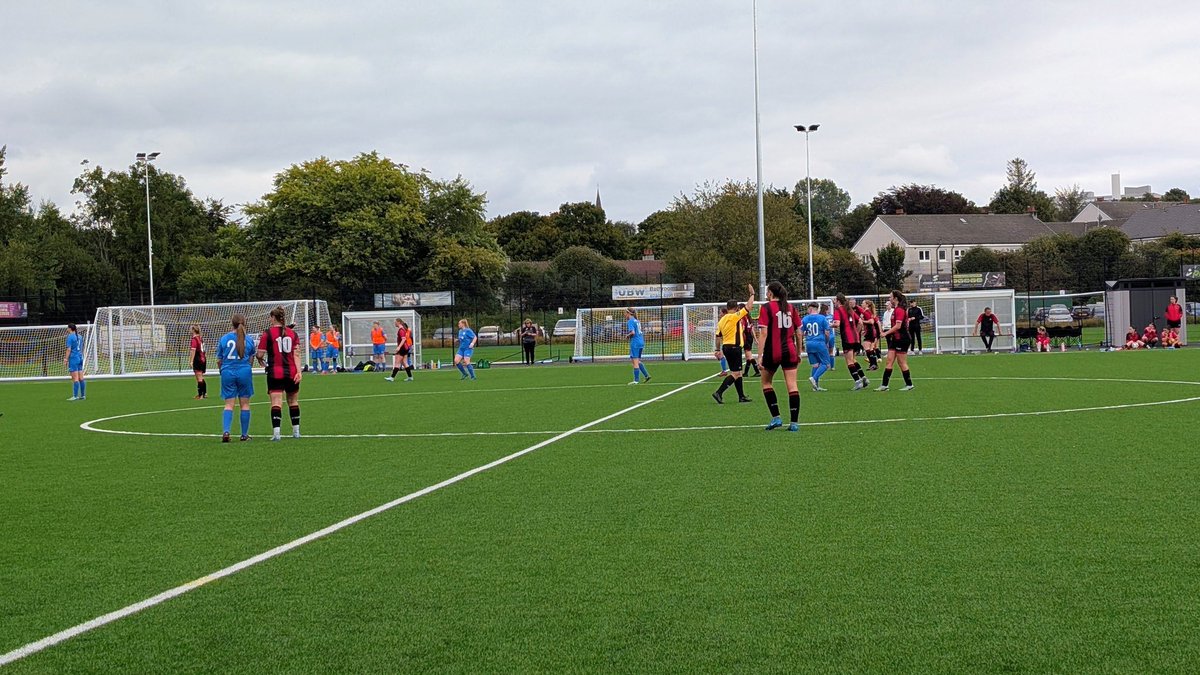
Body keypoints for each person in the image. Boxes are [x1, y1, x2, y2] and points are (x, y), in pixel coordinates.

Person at [756, 281, 802, 432]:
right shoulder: (790, 307)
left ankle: (776, 417)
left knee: (766, 383)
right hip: (789, 350)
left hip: (772, 351)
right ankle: (794, 422)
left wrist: (760, 355)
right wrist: (799, 351)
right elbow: (799, 332)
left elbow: (764, 333)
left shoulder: (766, 307)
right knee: (792, 385)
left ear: (770, 293)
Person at [256, 306, 302, 441]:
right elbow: (297, 353)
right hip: (292, 372)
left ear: (273, 318)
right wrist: (299, 371)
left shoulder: (268, 333)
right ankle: (296, 432)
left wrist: (260, 359)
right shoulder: (293, 334)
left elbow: (260, 353)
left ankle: (276, 434)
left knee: (276, 402)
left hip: (275, 372)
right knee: (293, 401)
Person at [712, 285, 755, 404]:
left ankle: (741, 396)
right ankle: (719, 392)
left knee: (738, 372)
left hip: (726, 347)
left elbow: (718, 336)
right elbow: (749, 306)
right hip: (734, 348)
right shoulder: (735, 317)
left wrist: (717, 349)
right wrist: (752, 295)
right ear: (736, 308)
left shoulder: (722, 320)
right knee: (735, 373)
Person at [218, 313, 256, 442]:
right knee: (244, 404)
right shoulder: (249, 340)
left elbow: (219, 359)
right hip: (244, 371)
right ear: (244, 323)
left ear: (232, 323)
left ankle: (226, 431)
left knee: (229, 404)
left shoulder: (224, 339)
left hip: (227, 372)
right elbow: (251, 358)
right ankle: (244, 435)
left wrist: (222, 371)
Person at [877, 290, 914, 391]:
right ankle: (884, 385)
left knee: (901, 362)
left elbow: (898, 326)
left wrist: (885, 333)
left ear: (895, 298)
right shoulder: (896, 309)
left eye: (890, 297)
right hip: (895, 339)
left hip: (902, 339)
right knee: (889, 360)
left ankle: (909, 384)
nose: (889, 299)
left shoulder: (900, 310)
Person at [833, 294, 869, 390]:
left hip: (847, 338)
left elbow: (837, 324)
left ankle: (858, 382)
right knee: (853, 359)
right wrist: (856, 332)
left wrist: (828, 325)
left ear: (838, 301)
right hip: (856, 338)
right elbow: (860, 322)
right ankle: (864, 378)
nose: (834, 302)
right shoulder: (850, 310)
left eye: (835, 300)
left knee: (849, 361)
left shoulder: (838, 310)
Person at [802, 302, 833, 392]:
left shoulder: (805, 319)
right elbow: (827, 332)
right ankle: (814, 378)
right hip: (819, 343)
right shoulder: (822, 318)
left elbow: (801, 332)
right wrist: (826, 342)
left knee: (815, 365)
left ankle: (815, 386)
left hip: (809, 343)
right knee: (826, 364)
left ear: (810, 309)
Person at [626, 308, 651, 384]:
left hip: (635, 342)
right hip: (641, 342)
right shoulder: (637, 320)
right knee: (637, 360)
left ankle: (636, 380)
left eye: (625, 313)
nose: (624, 314)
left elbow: (633, 332)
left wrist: (627, 335)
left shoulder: (630, 321)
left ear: (629, 313)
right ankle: (646, 375)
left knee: (635, 362)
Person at [64, 323, 86, 401]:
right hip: (80, 357)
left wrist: (66, 359)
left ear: (70, 329)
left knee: (75, 378)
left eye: (67, 328)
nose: (67, 329)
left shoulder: (70, 337)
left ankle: (75, 396)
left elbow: (69, 349)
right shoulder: (80, 336)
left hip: (73, 358)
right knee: (81, 377)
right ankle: (83, 395)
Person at [859, 300, 882, 370]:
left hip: (870, 331)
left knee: (866, 346)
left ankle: (873, 364)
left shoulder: (866, 312)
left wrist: (862, 321)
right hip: (871, 331)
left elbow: (871, 321)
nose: (861, 304)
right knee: (871, 348)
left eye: (863, 303)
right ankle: (873, 364)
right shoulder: (868, 312)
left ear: (867, 305)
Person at [740, 304, 761, 377]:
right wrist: (755, 339)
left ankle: (757, 371)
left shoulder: (743, 318)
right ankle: (745, 373)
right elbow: (752, 329)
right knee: (747, 355)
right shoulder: (748, 317)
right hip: (749, 337)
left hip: (745, 336)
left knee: (749, 355)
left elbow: (742, 329)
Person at [188, 324, 207, 399]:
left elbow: (193, 351)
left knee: (198, 377)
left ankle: (200, 395)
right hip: (203, 359)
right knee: (201, 376)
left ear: (193, 330)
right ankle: (204, 393)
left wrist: (191, 361)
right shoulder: (200, 338)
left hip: (198, 359)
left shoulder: (194, 339)